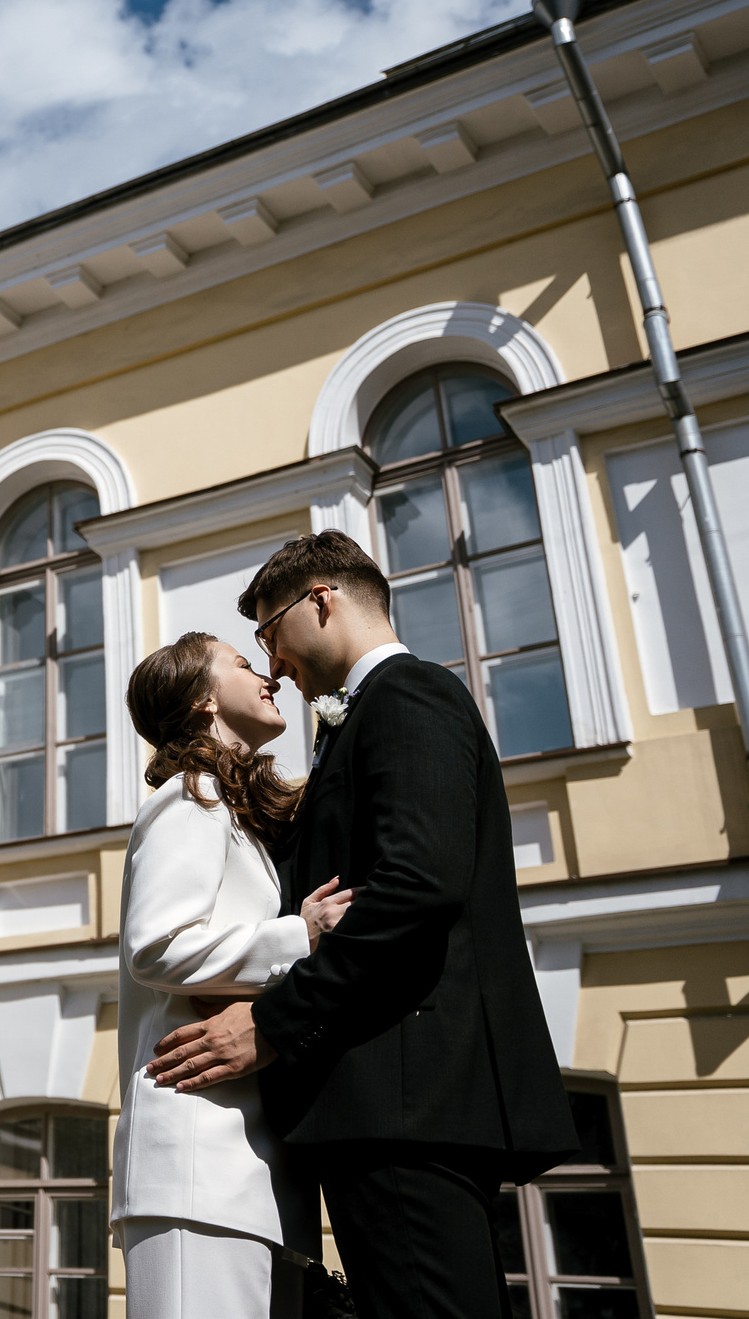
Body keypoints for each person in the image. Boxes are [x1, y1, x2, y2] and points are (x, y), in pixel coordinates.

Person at [144, 530, 578, 1319]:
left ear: (320, 600)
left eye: (269, 633)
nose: (274, 663)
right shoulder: (347, 726)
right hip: (384, 1105)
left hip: (407, 1101)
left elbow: (416, 886)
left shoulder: (408, 695)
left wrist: (273, 1022)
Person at [116, 632, 351, 1319]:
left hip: (243, 1170)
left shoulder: (230, 810)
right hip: (195, 1165)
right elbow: (156, 946)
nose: (268, 677)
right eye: (244, 665)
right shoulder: (191, 798)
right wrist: (300, 935)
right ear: (204, 699)